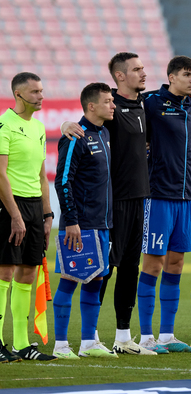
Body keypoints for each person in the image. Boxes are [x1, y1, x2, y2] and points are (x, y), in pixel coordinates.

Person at [61, 52, 158, 355]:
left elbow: (178, 97)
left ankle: (122, 337)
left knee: (130, 268)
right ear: (119, 76)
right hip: (110, 206)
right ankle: (86, 338)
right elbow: (83, 123)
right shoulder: (107, 108)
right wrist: (67, 123)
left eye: (143, 68)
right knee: (99, 272)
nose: (144, 73)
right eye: (137, 69)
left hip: (139, 198)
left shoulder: (146, 104)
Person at [137, 56, 191, 353]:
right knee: (153, 263)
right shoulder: (150, 101)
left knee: (176, 263)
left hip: (185, 197)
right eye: (187, 74)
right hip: (157, 195)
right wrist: (70, 122)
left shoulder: (190, 105)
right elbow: (110, 105)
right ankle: (145, 336)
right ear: (172, 77)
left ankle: (167, 336)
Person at [53, 82, 118, 359]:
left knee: (95, 282)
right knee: (69, 280)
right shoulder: (74, 137)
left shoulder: (104, 132)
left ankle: (88, 343)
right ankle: (60, 345)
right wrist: (71, 220)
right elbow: (63, 180)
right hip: (80, 225)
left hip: (102, 224)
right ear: (91, 106)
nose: (113, 105)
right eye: (107, 101)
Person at [0, 72, 55, 362]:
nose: (40, 96)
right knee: (5, 271)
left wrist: (46, 214)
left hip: (35, 207)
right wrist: (15, 215)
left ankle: (22, 345)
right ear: (19, 95)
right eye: (34, 92)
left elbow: (42, 176)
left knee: (29, 272)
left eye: (42, 91)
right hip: (10, 206)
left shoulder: (38, 127)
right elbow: (0, 175)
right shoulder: (4, 125)